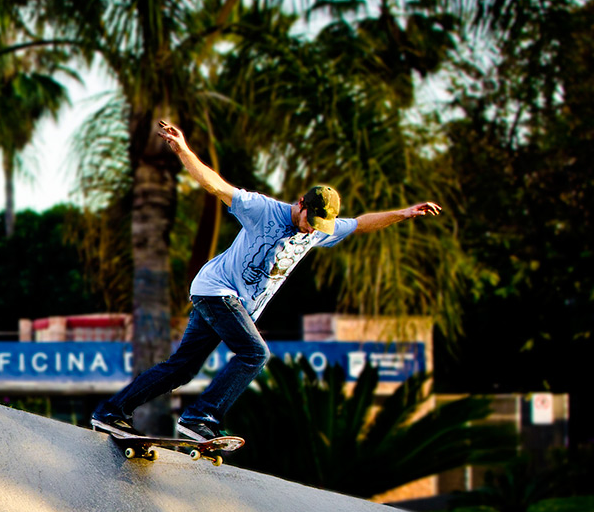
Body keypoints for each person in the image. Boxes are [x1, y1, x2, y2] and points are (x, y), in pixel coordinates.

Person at [92, 120, 442, 443]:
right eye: (310, 219)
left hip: (229, 302)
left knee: (181, 369)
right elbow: (216, 185)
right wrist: (183, 150)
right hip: (218, 291)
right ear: (301, 203)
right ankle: (201, 417)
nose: (310, 228)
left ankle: (111, 412)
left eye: (319, 225)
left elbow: (361, 223)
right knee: (255, 353)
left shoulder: (319, 230)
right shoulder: (261, 209)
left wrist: (403, 214)